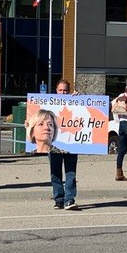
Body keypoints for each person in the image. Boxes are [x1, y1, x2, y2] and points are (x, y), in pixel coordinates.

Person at [50, 79, 79, 210]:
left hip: (71, 143)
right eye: (60, 90)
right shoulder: (48, 104)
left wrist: (80, 99)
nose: (63, 93)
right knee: (55, 173)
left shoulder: (75, 103)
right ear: (56, 91)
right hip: (54, 144)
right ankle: (59, 200)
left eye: (65, 90)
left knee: (70, 173)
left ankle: (69, 199)